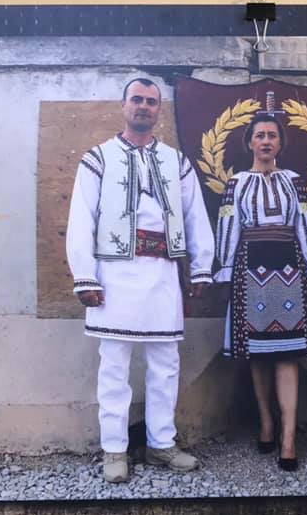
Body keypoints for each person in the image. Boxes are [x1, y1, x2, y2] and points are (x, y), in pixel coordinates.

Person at [66, 78, 215, 483]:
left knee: (165, 364)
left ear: (158, 109)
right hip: (115, 275)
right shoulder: (98, 158)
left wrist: (201, 267)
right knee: (114, 366)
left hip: (163, 273)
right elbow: (81, 219)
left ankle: (161, 443)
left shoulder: (176, 162)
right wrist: (85, 276)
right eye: (137, 100)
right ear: (124, 106)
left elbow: (195, 216)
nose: (144, 106)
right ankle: (114, 449)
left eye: (151, 101)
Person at [214, 112, 307, 471]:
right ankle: (266, 422)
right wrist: (225, 269)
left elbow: (305, 223)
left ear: (280, 143)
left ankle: (288, 438)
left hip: (289, 268)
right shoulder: (236, 183)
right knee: (258, 353)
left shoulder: (295, 182)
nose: (266, 141)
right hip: (250, 269)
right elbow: (228, 224)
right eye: (260, 135)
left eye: (272, 135)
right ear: (250, 143)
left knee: (288, 354)